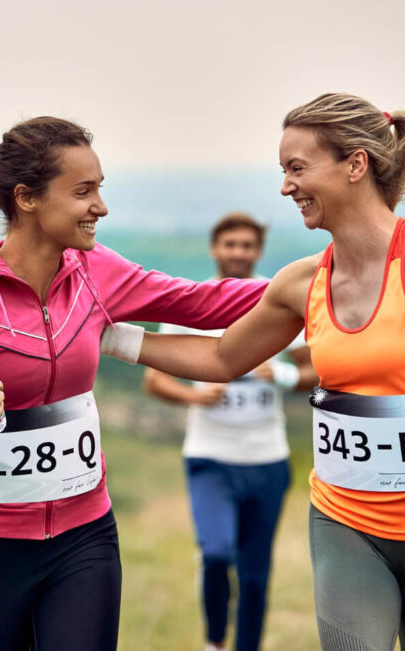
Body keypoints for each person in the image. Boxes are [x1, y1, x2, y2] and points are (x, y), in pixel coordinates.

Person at [101, 93, 405, 651]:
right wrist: (108, 336)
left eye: (297, 168)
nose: (285, 187)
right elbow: (220, 359)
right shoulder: (301, 282)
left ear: (355, 165)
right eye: (283, 171)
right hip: (344, 520)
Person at [0, 116, 268, 651]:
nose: (100, 206)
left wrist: (328, 277)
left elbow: (205, 303)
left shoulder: (97, 272)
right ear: (28, 198)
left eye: (99, 189)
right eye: (84, 192)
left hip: (85, 536)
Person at [142, 212, 316, 651]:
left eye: (247, 245)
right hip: (209, 457)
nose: (238, 252)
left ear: (257, 251)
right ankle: (215, 642)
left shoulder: (277, 300)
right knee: (217, 554)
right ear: (214, 249)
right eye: (230, 244)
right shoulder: (190, 302)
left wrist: (277, 374)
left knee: (256, 576)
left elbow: (315, 369)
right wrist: (193, 397)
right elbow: (155, 379)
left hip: (267, 460)